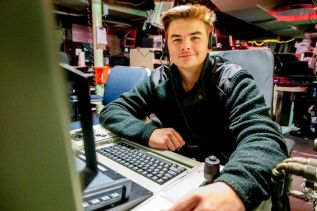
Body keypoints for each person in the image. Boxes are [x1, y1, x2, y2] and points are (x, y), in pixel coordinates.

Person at [99, 4, 287, 211]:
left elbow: (263, 136)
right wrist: (147, 133)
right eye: (176, 39)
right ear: (166, 45)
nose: (185, 46)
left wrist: (233, 186)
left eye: (195, 37)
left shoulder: (233, 79)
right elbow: (112, 111)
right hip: (176, 168)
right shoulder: (157, 80)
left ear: (209, 42)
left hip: (226, 171)